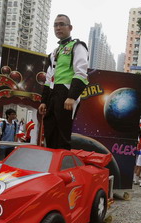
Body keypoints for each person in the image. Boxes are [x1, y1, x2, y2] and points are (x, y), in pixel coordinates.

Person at [38, 14, 89, 150]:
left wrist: (72, 96)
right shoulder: (54, 52)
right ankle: (52, 167)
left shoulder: (77, 46)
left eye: (61, 24)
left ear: (70, 27)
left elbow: (81, 73)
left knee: (62, 133)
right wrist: (44, 101)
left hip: (66, 93)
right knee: (50, 130)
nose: (58, 27)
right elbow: (49, 78)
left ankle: (62, 168)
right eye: (55, 25)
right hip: (53, 94)